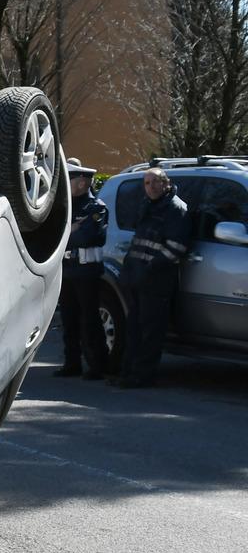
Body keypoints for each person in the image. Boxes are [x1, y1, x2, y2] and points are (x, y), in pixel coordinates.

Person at [115, 166, 192, 389]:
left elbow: (176, 247)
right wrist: (131, 270)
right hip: (137, 278)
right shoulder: (148, 205)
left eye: (156, 182)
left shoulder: (176, 209)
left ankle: (142, 376)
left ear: (166, 183)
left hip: (157, 281)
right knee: (134, 328)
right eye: (147, 183)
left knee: (151, 332)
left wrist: (150, 268)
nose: (151, 187)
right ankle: (127, 372)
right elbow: (139, 240)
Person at [54, 158, 110, 380]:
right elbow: (54, 238)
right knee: (68, 319)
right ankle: (72, 363)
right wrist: (71, 230)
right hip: (67, 270)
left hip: (87, 272)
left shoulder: (96, 208)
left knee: (90, 319)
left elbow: (87, 237)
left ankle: (98, 365)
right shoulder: (66, 207)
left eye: (70, 180)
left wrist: (66, 233)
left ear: (82, 182)